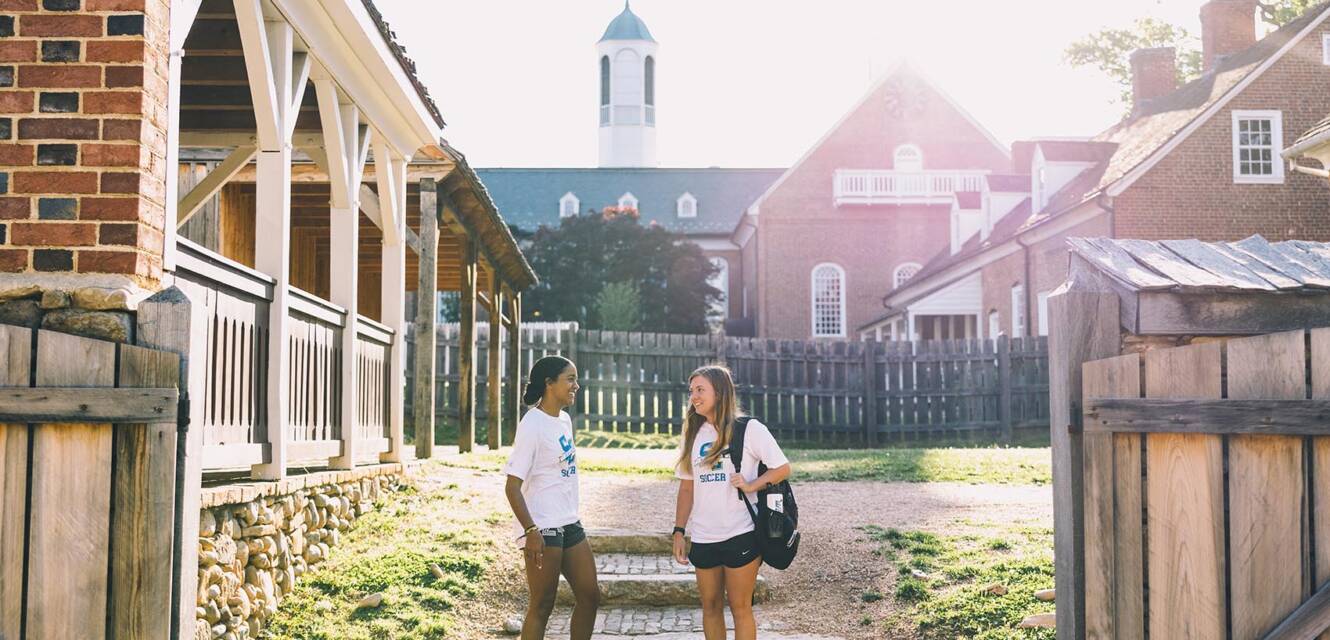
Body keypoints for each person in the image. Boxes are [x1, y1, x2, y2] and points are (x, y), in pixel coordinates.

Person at [672, 365, 791, 640]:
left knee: (740, 608)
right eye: (691, 391)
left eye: (700, 390)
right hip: (703, 536)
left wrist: (751, 485)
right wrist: (679, 530)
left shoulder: (749, 429)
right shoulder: (693, 432)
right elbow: (687, 487)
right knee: (710, 607)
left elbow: (782, 468)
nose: (694, 397)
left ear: (720, 391)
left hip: (742, 533)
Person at [503, 355, 598, 639]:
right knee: (542, 605)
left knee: (590, 596)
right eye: (570, 379)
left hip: (570, 522)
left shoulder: (564, 420)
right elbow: (512, 486)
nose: (576, 386)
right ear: (549, 383)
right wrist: (530, 530)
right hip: (543, 526)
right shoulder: (533, 424)